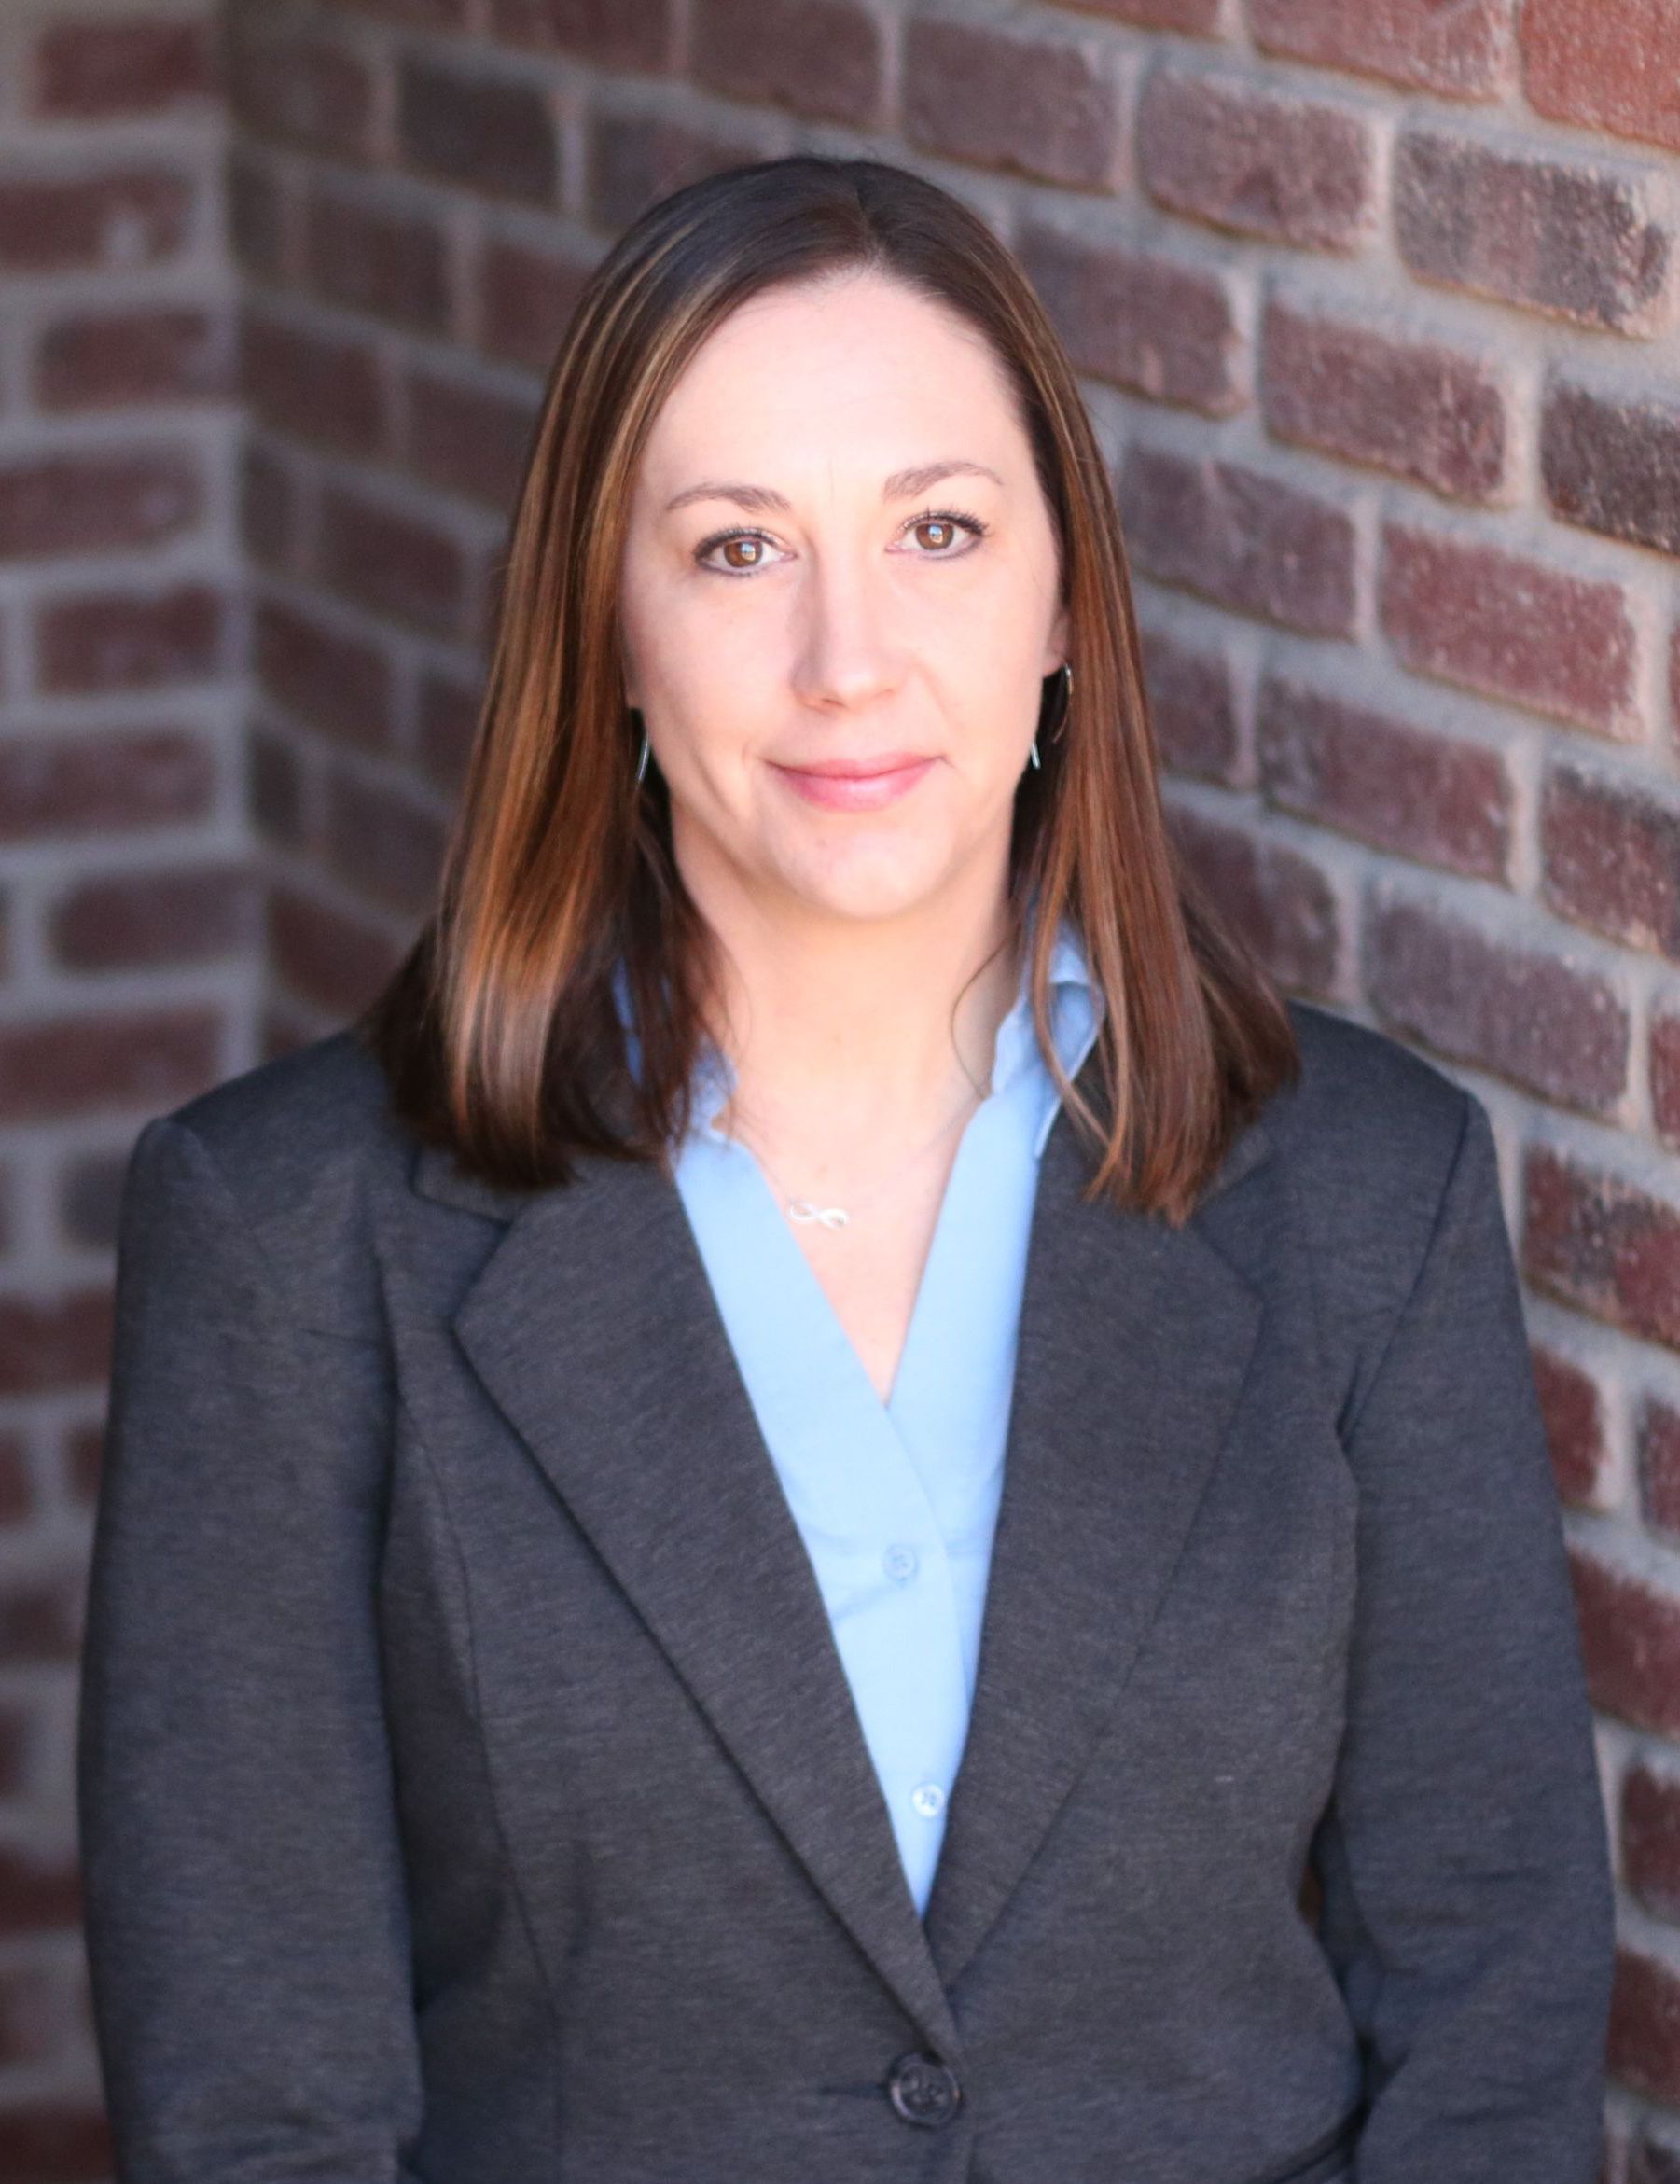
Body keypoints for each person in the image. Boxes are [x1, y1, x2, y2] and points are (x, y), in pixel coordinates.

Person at [77, 153, 1614, 2184]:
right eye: (734, 552)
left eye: (941, 533)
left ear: (1065, 600)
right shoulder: (288, 1236)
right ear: (605, 626)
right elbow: (257, 2098)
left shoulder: (1359, 1192)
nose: (846, 659)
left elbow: (1489, 1997)